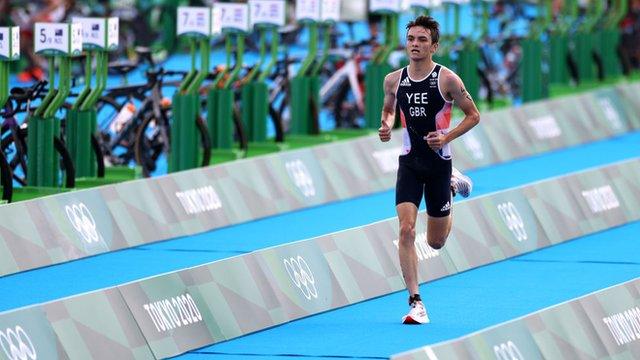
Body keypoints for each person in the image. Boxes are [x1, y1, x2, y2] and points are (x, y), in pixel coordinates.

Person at [378, 16, 480, 324]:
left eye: (422, 40)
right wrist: (385, 124)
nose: (415, 44)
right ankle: (415, 302)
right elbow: (388, 108)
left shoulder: (447, 79)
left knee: (436, 242)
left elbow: (473, 115)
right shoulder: (393, 79)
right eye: (411, 39)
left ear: (434, 46)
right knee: (406, 230)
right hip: (409, 163)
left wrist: (446, 137)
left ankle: (451, 184)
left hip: (439, 165)